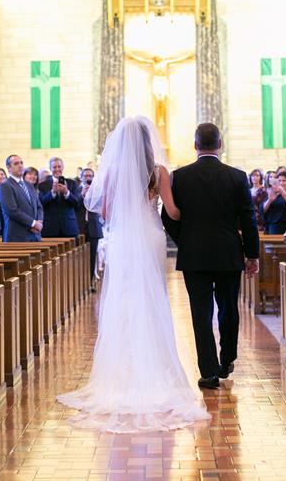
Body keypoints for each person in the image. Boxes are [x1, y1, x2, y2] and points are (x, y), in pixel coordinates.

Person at [57, 116, 211, 433]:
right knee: (151, 297)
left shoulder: (113, 171)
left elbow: (105, 211)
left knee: (124, 299)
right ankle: (153, 368)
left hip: (124, 239)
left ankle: (122, 373)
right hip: (151, 235)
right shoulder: (159, 172)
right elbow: (172, 211)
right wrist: (190, 213)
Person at [162, 122, 260, 390]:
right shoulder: (238, 177)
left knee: (201, 312)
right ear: (221, 144)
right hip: (228, 253)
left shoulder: (179, 177)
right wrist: (252, 254)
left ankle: (208, 372)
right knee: (228, 308)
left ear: (195, 146)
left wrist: (186, 240)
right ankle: (227, 357)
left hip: (194, 256)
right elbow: (249, 219)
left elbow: (167, 217)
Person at [0, 154, 44, 242]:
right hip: (17, 235)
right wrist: (33, 223)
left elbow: (39, 206)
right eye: (16, 164)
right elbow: (12, 210)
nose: (20, 166)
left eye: (21, 163)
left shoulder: (29, 185)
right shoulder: (5, 186)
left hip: (35, 234)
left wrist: (39, 222)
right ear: (8, 168)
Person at [37, 157, 81, 237]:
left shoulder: (72, 183)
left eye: (59, 167)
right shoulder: (42, 185)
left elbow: (77, 203)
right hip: (50, 228)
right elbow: (41, 204)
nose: (57, 169)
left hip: (69, 227)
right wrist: (52, 193)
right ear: (50, 168)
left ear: (63, 167)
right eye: (54, 167)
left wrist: (66, 192)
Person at [76, 167, 104, 288]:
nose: (88, 178)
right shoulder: (76, 190)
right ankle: (79, 284)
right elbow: (73, 204)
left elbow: (101, 207)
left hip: (93, 225)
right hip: (80, 226)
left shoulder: (98, 190)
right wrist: (82, 195)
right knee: (78, 258)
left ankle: (90, 283)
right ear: (81, 177)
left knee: (92, 256)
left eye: (90, 176)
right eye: (85, 176)